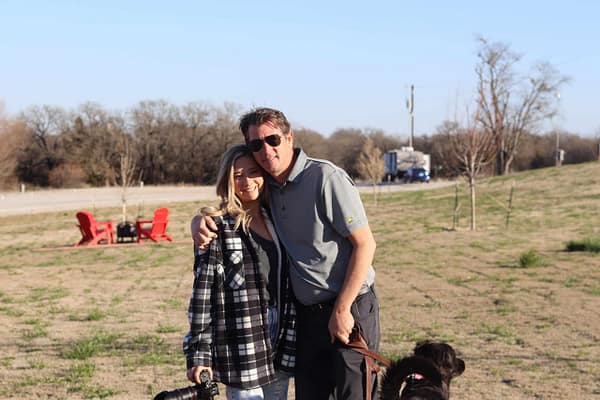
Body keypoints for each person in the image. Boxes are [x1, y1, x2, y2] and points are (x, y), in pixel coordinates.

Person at [192, 108, 380, 400]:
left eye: (273, 139)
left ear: (289, 137)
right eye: (256, 144)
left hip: (349, 308)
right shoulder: (271, 191)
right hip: (305, 319)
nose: (266, 150)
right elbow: (237, 201)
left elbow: (365, 244)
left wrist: (342, 310)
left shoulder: (325, 177)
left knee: (354, 395)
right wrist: (200, 220)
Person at [183, 144, 296, 400]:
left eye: (253, 172)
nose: (247, 181)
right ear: (227, 181)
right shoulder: (218, 227)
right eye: (238, 175)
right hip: (242, 337)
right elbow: (202, 295)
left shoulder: (277, 219)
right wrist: (199, 353)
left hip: (282, 335)